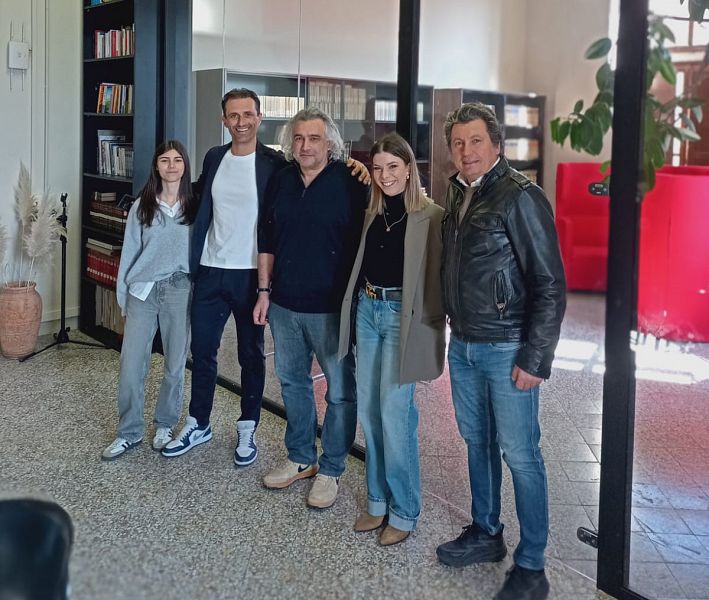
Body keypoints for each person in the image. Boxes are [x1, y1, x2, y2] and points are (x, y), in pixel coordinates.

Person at [162, 89, 368, 465]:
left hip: (252, 273)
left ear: (259, 118)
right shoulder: (215, 157)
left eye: (248, 115)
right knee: (203, 352)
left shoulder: (275, 164)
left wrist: (356, 165)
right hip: (211, 269)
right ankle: (199, 422)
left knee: (251, 355)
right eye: (233, 115)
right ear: (224, 120)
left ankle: (248, 426)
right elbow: (197, 198)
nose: (240, 122)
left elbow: (320, 172)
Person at [435, 103, 566, 600]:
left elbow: (549, 283)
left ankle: (532, 565)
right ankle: (486, 532)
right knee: (477, 442)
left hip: (507, 346)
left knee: (521, 455)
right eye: (458, 143)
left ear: (496, 144)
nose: (466, 151)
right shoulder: (459, 192)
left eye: (475, 140)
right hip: (464, 344)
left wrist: (536, 357)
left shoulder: (520, 197)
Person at [254, 107, 368, 509]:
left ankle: (332, 467)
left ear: (330, 144)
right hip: (284, 304)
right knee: (292, 382)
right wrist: (263, 291)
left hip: (331, 309)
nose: (305, 146)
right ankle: (301, 456)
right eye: (299, 138)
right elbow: (266, 237)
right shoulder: (282, 179)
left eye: (314, 138)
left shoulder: (351, 182)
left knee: (340, 391)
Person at [338, 132, 445, 546]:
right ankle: (377, 501)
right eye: (378, 168)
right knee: (369, 409)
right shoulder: (373, 212)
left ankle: (404, 510)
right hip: (369, 310)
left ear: (409, 169)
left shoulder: (432, 217)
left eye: (393, 167)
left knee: (395, 413)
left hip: (404, 317)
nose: (385, 176)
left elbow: (438, 280)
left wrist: (434, 331)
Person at [102, 140, 196, 461]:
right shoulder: (142, 206)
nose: (171, 165)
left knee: (174, 365)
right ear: (156, 165)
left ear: (185, 166)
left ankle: (165, 425)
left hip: (179, 289)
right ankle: (129, 432)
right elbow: (129, 254)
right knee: (131, 365)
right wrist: (123, 297)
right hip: (142, 291)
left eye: (177, 160)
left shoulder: (194, 208)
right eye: (165, 160)